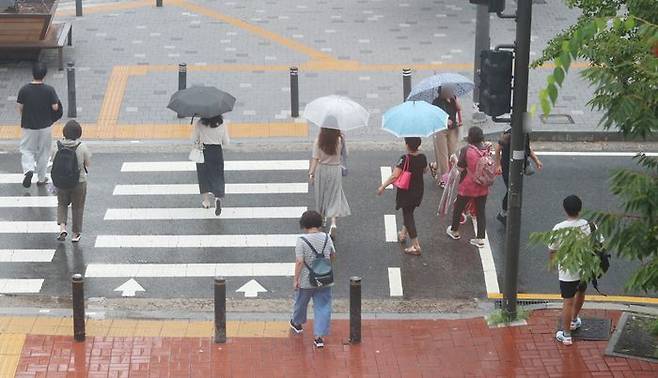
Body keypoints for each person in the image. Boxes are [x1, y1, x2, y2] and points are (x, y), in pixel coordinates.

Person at [550, 195, 597, 346]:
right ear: (580, 209)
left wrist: (552, 264)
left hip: (567, 271)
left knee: (567, 301)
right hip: (585, 268)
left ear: (565, 209)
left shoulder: (559, 228)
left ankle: (566, 335)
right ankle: (574, 320)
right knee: (581, 292)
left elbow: (552, 249)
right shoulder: (590, 226)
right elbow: (599, 244)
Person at [290, 210, 336, 349]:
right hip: (324, 278)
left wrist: (295, 279)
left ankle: (297, 323)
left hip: (306, 279)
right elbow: (332, 255)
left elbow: (299, 261)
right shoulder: (327, 238)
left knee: (301, 302)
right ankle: (319, 337)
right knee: (323, 305)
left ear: (304, 225)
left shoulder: (302, 241)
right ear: (320, 223)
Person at [378, 137, 428, 255]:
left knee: (408, 215)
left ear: (407, 145)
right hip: (419, 190)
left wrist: (383, 186)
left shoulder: (404, 159)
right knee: (409, 211)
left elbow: (394, 176)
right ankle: (403, 233)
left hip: (407, 191)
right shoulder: (422, 157)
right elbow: (425, 170)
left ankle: (415, 245)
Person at [17, 62, 60, 188]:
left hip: (28, 126)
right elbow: (55, 107)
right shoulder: (49, 90)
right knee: (44, 152)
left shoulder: (24, 89)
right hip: (45, 126)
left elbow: (20, 107)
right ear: (44, 75)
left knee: (26, 149)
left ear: (33, 73)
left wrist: (24, 117)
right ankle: (41, 178)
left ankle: (28, 170)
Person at [446, 126, 490, 248]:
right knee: (481, 211)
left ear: (470, 137)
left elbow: (460, 168)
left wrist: (454, 159)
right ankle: (480, 238)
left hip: (467, 186)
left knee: (459, 208)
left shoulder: (466, 150)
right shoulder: (486, 149)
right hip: (482, 186)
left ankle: (454, 230)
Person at [308, 128, 351, 239]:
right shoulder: (339, 139)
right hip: (335, 169)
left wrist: (311, 174)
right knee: (334, 195)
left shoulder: (319, 140)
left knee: (321, 195)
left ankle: (321, 221)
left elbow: (315, 159)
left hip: (321, 169)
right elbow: (345, 154)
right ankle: (333, 223)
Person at [495, 128, 543, 224]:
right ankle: (504, 213)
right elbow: (497, 149)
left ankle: (509, 211)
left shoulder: (525, 134)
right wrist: (498, 165)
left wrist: (536, 160)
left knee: (514, 188)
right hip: (508, 167)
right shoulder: (509, 134)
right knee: (511, 189)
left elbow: (527, 149)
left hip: (518, 167)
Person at [55, 121, 91, 243]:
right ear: (79, 133)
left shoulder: (57, 146)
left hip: (61, 182)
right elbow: (88, 164)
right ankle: (75, 234)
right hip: (79, 182)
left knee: (62, 204)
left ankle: (62, 228)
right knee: (77, 207)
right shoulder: (82, 147)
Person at [193, 115, 229, 216]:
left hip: (203, 150)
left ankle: (206, 201)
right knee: (217, 175)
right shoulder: (222, 123)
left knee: (203, 175)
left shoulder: (199, 123)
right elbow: (226, 141)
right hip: (216, 151)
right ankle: (217, 197)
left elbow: (194, 138)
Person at [430, 85, 462, 187]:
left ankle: (434, 166)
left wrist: (454, 99)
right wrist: (445, 120)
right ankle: (444, 178)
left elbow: (459, 109)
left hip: (453, 129)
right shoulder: (436, 102)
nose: (449, 92)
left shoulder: (453, 99)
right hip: (441, 130)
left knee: (452, 153)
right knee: (443, 155)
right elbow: (433, 116)